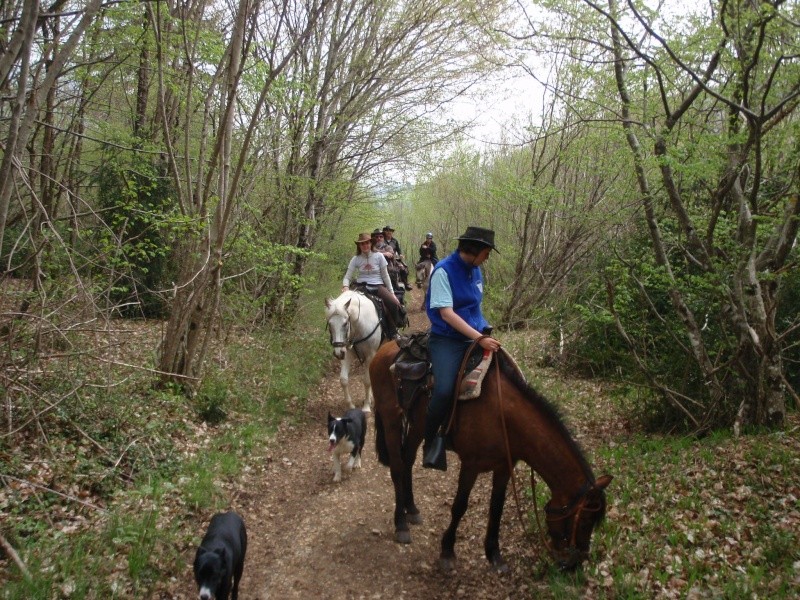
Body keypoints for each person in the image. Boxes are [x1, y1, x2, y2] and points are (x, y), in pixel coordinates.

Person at [422, 226, 501, 470]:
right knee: (445, 389)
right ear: (476, 250)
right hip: (447, 339)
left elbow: (475, 307)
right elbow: (447, 314)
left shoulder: (476, 272)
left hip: (475, 334)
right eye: (486, 253)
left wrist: (484, 328)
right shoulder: (443, 271)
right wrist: (479, 338)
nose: (487, 258)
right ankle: (430, 439)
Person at [342, 232, 405, 339]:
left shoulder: (379, 256)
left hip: (378, 286)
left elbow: (385, 276)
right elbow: (347, 277)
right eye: (362, 244)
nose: (365, 246)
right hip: (361, 286)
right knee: (345, 307)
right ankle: (346, 335)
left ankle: (393, 331)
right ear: (359, 246)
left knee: (394, 304)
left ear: (371, 243)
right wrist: (345, 287)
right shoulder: (356, 259)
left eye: (367, 243)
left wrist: (392, 293)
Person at [382, 225, 413, 291]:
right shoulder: (382, 240)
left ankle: (406, 283)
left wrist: (400, 254)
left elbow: (398, 250)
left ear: (392, 232)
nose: (388, 232)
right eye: (387, 231)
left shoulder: (395, 241)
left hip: (394, 259)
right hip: (383, 259)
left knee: (403, 268)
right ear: (385, 232)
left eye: (390, 231)